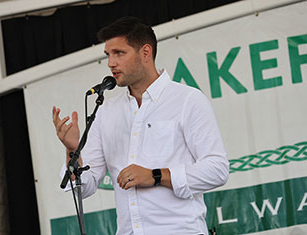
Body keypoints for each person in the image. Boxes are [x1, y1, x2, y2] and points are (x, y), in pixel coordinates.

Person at [52, 16, 229, 235]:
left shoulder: (187, 100)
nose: (110, 63)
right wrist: (72, 149)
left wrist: (155, 175)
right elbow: (84, 186)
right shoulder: (105, 111)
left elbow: (217, 169)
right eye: (108, 55)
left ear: (145, 52)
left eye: (119, 53)